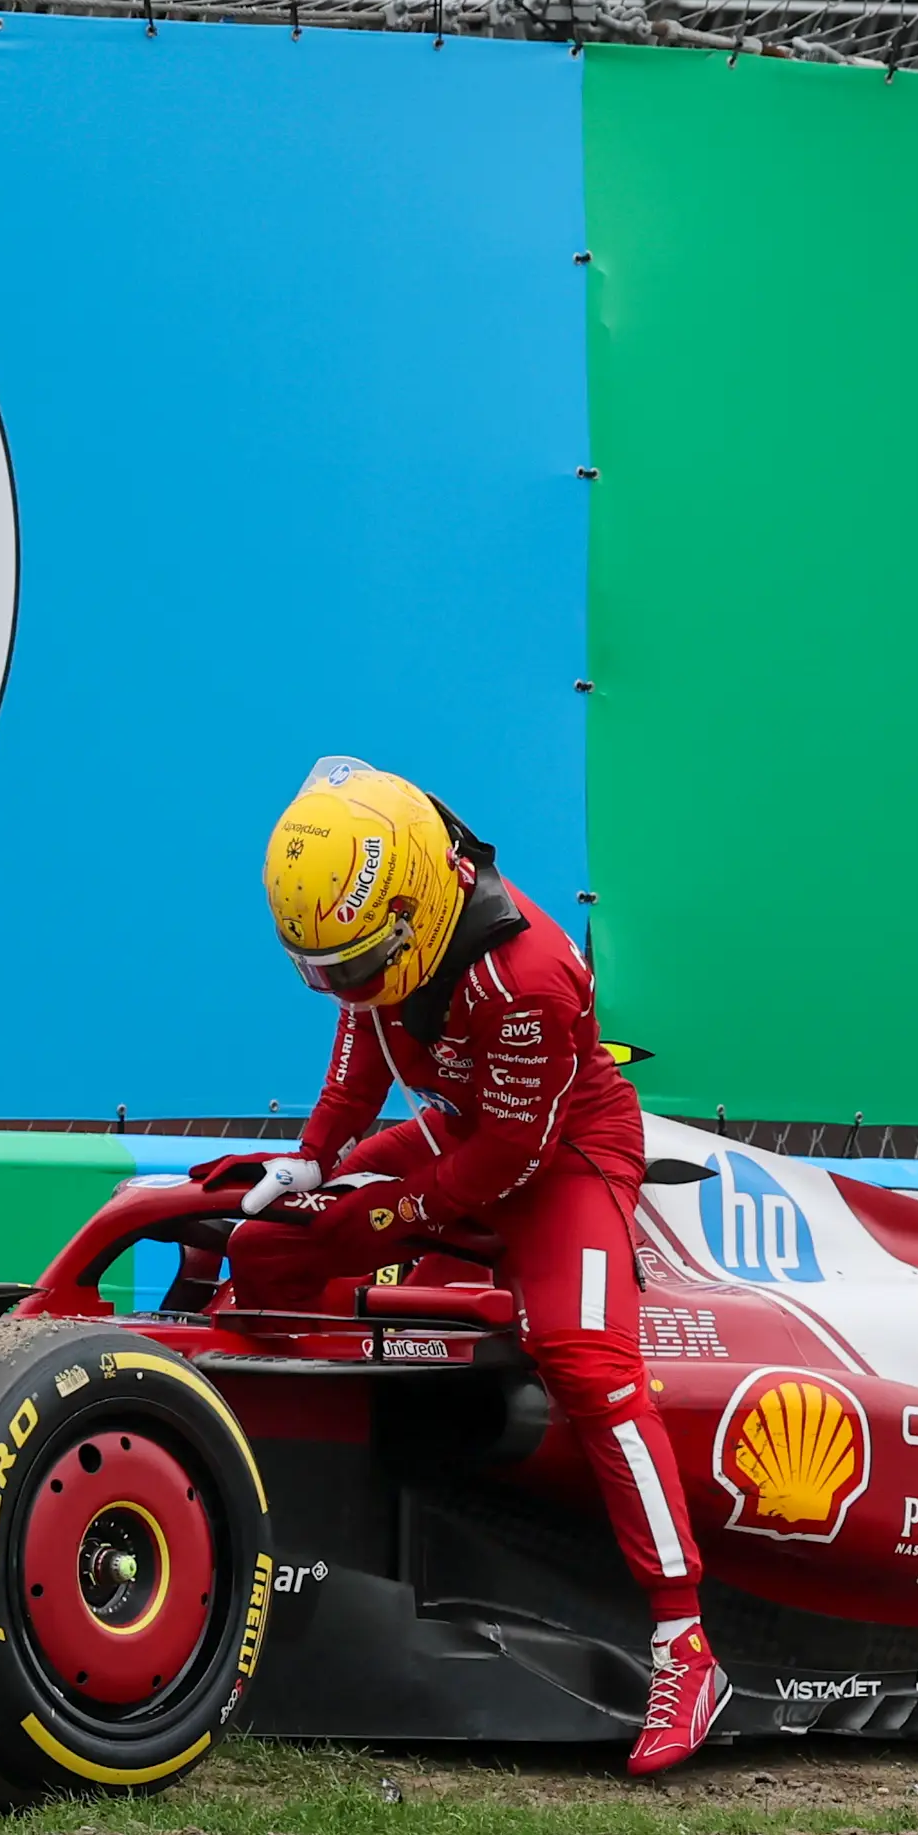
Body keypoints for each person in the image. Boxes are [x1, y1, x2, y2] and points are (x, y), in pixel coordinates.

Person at [216, 758, 726, 1777]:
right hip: (463, 1130)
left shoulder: (530, 975)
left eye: (357, 963)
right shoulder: (381, 913)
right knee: (263, 1246)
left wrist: (386, 1214)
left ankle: (685, 1642)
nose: (345, 987)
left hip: (564, 1154)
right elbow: (367, 1040)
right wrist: (312, 1159)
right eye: (329, 968)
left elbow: (511, 1158)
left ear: (411, 908)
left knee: (585, 1361)